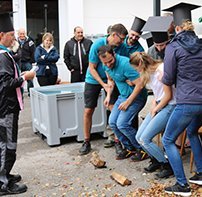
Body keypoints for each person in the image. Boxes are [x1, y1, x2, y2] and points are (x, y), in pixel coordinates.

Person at [161, 2, 202, 196]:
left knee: (168, 139)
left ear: (176, 27)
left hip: (187, 101)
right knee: (192, 131)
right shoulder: (201, 43)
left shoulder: (173, 47)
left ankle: (182, 185)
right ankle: (201, 174)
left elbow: (168, 78)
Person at [79, 23, 128, 155]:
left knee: (114, 108)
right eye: (121, 39)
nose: (123, 42)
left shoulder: (121, 47)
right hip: (93, 79)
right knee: (88, 109)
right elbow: (92, 68)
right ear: (113, 35)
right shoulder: (97, 45)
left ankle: (117, 141)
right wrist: (103, 84)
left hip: (112, 79)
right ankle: (86, 141)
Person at [0, 13, 36, 195]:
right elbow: (5, 84)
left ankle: (4, 173)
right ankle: (3, 184)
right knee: (8, 145)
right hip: (6, 109)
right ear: (1, 35)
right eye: (11, 35)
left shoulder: (5, 54)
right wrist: (24, 77)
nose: (13, 38)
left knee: (5, 144)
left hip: (7, 107)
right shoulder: (1, 56)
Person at [98, 45, 148, 160]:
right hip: (123, 96)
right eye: (105, 63)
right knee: (112, 123)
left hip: (136, 98)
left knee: (122, 124)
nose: (108, 65)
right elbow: (111, 80)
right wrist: (109, 96)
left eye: (110, 61)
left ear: (114, 54)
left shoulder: (126, 64)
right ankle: (129, 148)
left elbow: (140, 84)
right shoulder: (105, 64)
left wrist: (128, 102)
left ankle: (141, 148)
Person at [130, 52, 175, 177]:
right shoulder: (149, 72)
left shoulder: (161, 70)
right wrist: (154, 104)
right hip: (159, 104)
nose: (136, 71)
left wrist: (156, 108)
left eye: (136, 68)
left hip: (169, 106)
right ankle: (155, 159)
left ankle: (166, 165)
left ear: (140, 63)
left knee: (145, 139)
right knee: (139, 137)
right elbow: (157, 94)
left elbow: (168, 96)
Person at [104, 17, 146, 148]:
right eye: (132, 35)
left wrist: (132, 79)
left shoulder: (138, 49)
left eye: (137, 37)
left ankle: (137, 145)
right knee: (114, 120)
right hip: (119, 82)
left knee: (127, 120)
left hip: (132, 85)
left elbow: (140, 71)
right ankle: (123, 143)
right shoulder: (119, 44)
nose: (134, 38)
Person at [17, 28, 35, 96]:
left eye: (23, 34)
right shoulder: (15, 42)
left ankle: (31, 93)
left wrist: (31, 61)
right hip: (19, 63)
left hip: (27, 62)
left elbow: (33, 52)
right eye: (20, 34)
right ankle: (20, 93)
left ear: (25, 34)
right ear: (18, 34)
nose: (22, 35)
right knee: (19, 78)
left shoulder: (30, 42)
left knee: (30, 79)